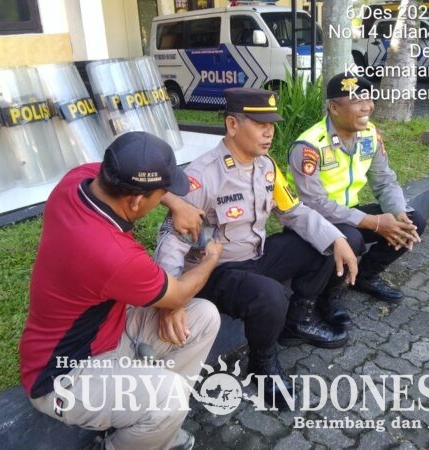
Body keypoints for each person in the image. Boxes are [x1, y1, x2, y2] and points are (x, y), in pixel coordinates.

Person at [19, 131, 223, 450]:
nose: (166, 197)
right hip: (63, 376)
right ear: (136, 200)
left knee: (204, 317)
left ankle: (155, 424)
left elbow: (108, 174)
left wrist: (176, 203)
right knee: (170, 398)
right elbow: (180, 293)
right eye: (163, 192)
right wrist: (211, 258)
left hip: (107, 333)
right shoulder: (114, 255)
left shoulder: (76, 182)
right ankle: (136, 431)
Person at [154, 87, 357, 405]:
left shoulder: (266, 166)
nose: (269, 132)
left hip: (255, 256)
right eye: (260, 124)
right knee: (270, 295)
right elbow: (172, 239)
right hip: (218, 269)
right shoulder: (202, 175)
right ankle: (262, 364)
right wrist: (170, 299)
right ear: (232, 125)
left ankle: (297, 321)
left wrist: (336, 239)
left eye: (271, 124)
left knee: (323, 244)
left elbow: (293, 211)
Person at [288, 73, 426, 306]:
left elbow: (384, 180)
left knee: (413, 221)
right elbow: (314, 204)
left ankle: (365, 276)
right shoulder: (309, 145)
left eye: (369, 99)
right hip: (313, 221)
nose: (367, 107)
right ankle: (326, 297)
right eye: (357, 101)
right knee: (351, 237)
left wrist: (398, 213)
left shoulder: (369, 134)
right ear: (334, 108)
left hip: (349, 214)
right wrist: (372, 222)